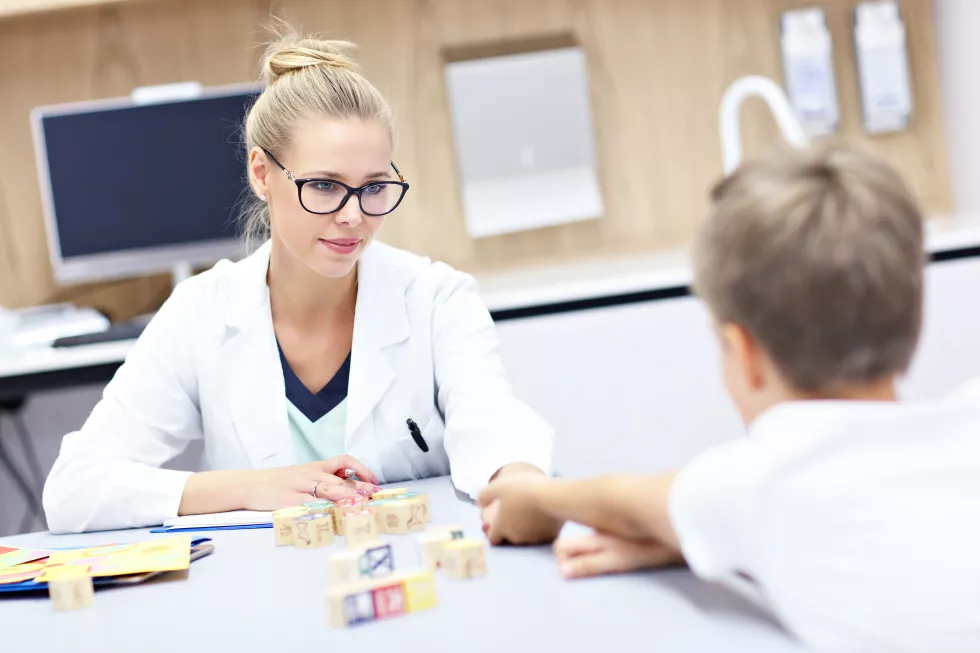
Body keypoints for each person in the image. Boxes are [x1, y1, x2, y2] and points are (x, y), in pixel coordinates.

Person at [42, 28, 556, 538]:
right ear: (262, 174)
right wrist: (248, 488)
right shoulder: (199, 312)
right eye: (326, 186)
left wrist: (524, 485)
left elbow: (494, 427)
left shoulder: (436, 298)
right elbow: (74, 491)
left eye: (374, 187)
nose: (354, 216)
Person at [479, 145, 980, 652]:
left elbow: (624, 500)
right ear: (913, 315)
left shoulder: (755, 486)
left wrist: (535, 497)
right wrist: (713, 540)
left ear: (745, 355)